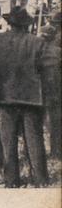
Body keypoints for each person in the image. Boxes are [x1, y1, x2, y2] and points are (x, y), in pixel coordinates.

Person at [0, 6, 47, 187]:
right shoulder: (37, 42)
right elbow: (45, 68)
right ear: (26, 25)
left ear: (9, 23)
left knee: (8, 142)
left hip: (4, 97)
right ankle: (41, 180)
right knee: (35, 140)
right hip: (31, 98)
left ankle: (12, 181)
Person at [38, 25, 61, 159]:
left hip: (37, 92)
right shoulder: (58, 52)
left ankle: (40, 152)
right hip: (55, 92)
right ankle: (56, 151)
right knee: (55, 122)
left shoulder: (34, 51)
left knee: (37, 122)